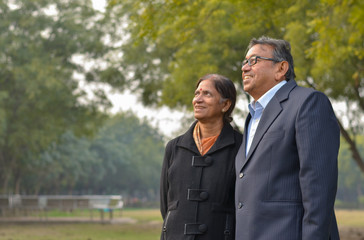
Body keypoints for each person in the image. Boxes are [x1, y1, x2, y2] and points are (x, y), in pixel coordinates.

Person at [235, 36, 340, 240]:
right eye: (244, 62)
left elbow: (318, 188)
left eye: (253, 60)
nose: (245, 68)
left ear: (281, 69)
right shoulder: (252, 117)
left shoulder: (308, 103)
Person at [160, 74, 243, 240]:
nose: (198, 99)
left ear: (226, 104)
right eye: (197, 93)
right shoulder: (174, 148)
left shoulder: (241, 146)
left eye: (207, 94)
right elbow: (165, 204)